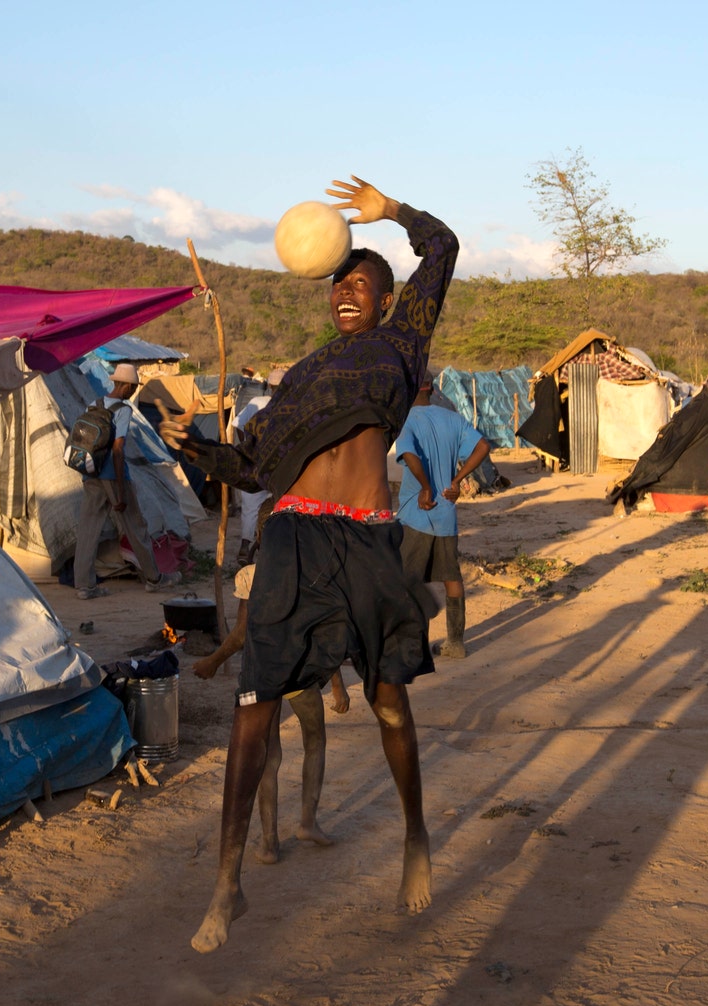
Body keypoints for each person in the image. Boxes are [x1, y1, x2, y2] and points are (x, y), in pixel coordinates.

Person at [160, 175, 455, 953]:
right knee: (252, 709)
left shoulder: (401, 345)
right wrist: (200, 452)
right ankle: (227, 880)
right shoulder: (300, 378)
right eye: (339, 284)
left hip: (366, 538)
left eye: (363, 283)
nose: (348, 293)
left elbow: (443, 247)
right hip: (292, 537)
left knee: (391, 704)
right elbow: (254, 467)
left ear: (387, 300)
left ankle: (415, 834)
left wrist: (393, 213)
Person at [193, 557, 351, 864]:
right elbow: (323, 634)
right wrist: (336, 684)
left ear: (258, 537)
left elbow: (241, 632)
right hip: (298, 672)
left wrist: (214, 660)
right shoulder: (310, 569)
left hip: (262, 673)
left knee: (268, 758)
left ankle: (269, 843)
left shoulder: (250, 574)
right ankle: (308, 822)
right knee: (315, 741)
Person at [395, 376, 491, 658]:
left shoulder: (408, 421)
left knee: (411, 579)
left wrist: (425, 486)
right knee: (451, 576)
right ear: (433, 390)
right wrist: (457, 479)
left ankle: (415, 646)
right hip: (446, 512)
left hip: (417, 512)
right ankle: (455, 643)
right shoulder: (452, 418)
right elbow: (483, 446)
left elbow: (409, 454)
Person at [73, 363, 181, 599]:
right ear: (127, 386)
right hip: (113, 475)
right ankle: (154, 578)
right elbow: (118, 449)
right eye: (132, 388)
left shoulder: (94, 404)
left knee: (89, 528)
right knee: (136, 526)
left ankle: (84, 586)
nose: (132, 392)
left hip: (90, 473)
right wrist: (121, 490)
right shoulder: (122, 409)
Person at [232, 368, 287, 566]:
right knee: (280, 505)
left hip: (256, 463)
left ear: (268, 386)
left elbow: (237, 425)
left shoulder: (257, 403)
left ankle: (247, 548)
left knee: (251, 508)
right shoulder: (289, 407)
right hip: (278, 465)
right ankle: (264, 548)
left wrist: (248, 447)